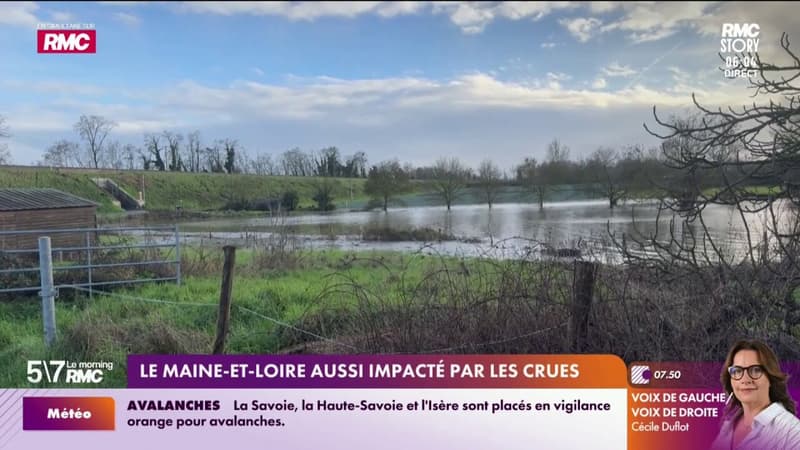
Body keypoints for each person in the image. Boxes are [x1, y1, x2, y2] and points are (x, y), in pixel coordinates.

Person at [709, 340, 800, 450]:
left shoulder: (791, 431)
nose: (745, 379)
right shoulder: (727, 427)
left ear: (770, 377)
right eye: (737, 371)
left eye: (755, 370)